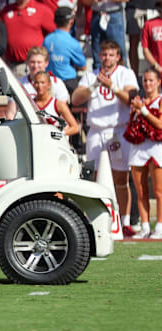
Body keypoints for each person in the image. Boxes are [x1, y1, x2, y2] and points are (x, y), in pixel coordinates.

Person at [72, 40, 138, 237]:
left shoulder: (125, 74)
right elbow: (75, 99)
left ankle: (124, 221)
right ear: (99, 56)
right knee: (94, 176)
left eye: (111, 55)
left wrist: (113, 87)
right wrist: (95, 85)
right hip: (96, 130)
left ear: (118, 57)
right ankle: (96, 220)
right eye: (104, 54)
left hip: (118, 129)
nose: (107, 58)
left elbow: (131, 99)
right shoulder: (91, 75)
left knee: (121, 177)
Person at [126, 68, 162, 239]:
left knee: (159, 190)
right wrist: (135, 111)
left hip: (156, 147)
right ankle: (145, 226)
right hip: (139, 148)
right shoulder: (138, 100)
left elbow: (160, 125)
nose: (147, 84)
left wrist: (144, 110)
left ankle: (160, 227)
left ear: (158, 82)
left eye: (151, 80)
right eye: (145, 80)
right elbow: (131, 125)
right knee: (140, 191)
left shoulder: (160, 100)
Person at [0, 0, 56, 77]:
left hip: (31, 66)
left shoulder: (42, 10)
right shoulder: (5, 12)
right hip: (9, 65)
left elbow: (54, 35)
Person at [44, 6, 87, 94]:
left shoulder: (47, 40)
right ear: (71, 21)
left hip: (50, 81)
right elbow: (83, 66)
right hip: (68, 82)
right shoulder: (72, 42)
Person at [32, 71, 79, 137]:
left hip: (55, 143)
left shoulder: (57, 104)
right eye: (37, 82)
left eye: (42, 82)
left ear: (49, 85)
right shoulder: (31, 104)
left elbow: (75, 127)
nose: (39, 86)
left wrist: (56, 135)